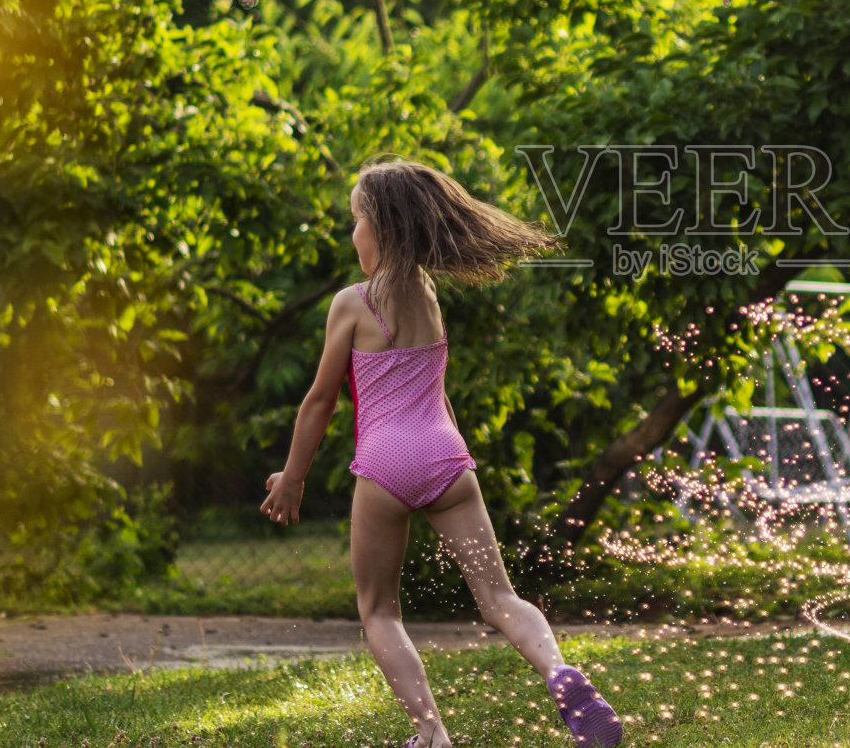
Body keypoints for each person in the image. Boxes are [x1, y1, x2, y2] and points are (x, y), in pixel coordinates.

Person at [260, 158, 622, 748]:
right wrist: (450, 454)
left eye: (355, 220)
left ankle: (431, 733)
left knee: (378, 609)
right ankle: (564, 677)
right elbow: (435, 389)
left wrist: (293, 477)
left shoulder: (353, 302)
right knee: (500, 597)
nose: (352, 233)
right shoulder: (427, 293)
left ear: (379, 226)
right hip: (447, 456)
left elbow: (320, 399)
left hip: (384, 463)